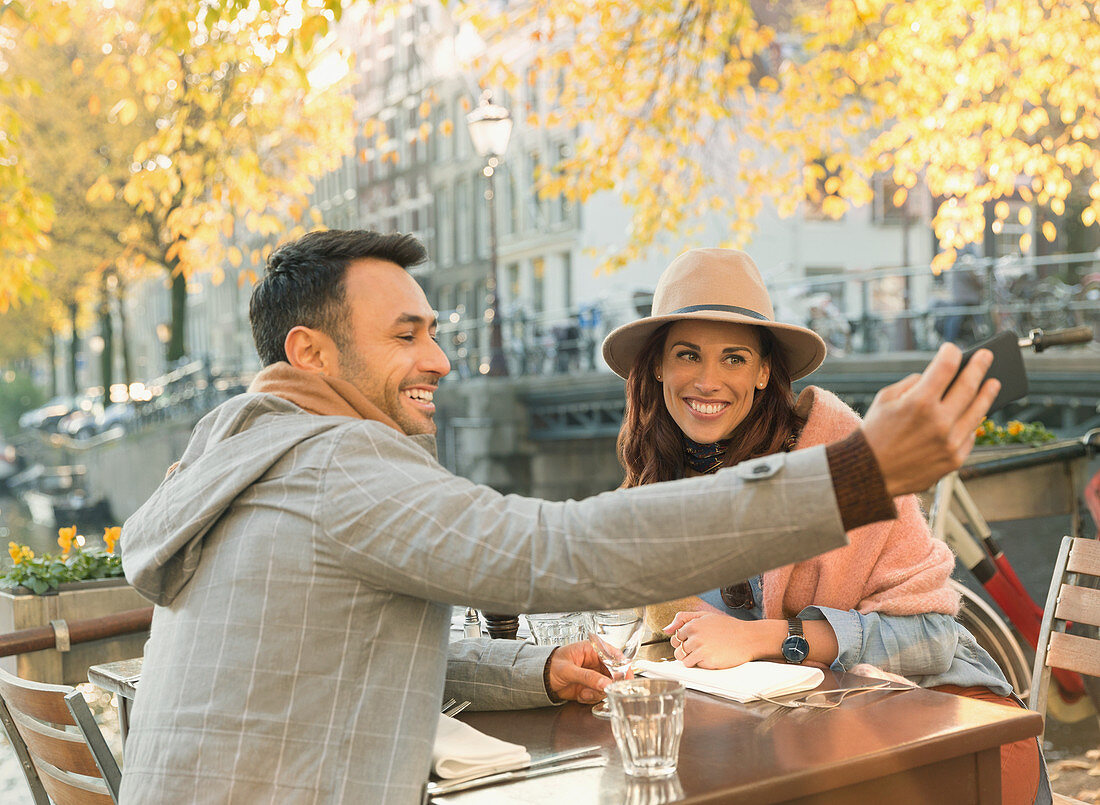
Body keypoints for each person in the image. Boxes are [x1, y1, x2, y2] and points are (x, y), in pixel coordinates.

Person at [118, 230, 999, 804]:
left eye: (433, 329)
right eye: (406, 335)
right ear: (310, 353)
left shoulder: (239, 454)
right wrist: (856, 477)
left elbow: (350, 644)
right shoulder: (336, 462)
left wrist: (535, 671)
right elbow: (558, 551)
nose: (442, 357)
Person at [601, 247, 1047, 805]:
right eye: (687, 354)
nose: (707, 380)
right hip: (779, 733)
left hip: (944, 730)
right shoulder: (659, 472)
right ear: (660, 367)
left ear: (765, 371)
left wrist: (761, 637)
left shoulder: (840, 453)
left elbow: (933, 638)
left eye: (734, 358)